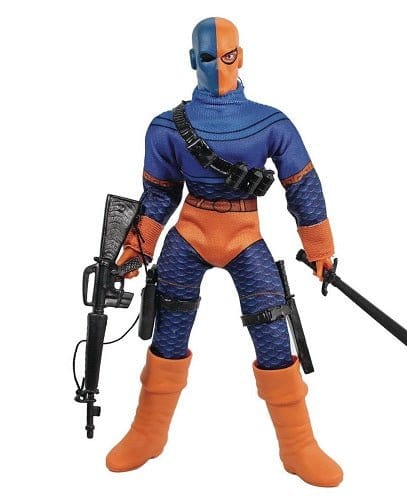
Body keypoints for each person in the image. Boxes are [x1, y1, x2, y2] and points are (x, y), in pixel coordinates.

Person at [106, 17, 343, 487]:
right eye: (208, 58)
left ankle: (298, 445)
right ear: (192, 61)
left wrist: (318, 247)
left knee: (272, 329)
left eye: (227, 56)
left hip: (244, 235)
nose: (218, 67)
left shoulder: (270, 122)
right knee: (169, 332)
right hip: (190, 233)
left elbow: (302, 184)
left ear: (242, 56)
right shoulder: (166, 127)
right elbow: (159, 195)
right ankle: (147, 433)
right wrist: (136, 247)